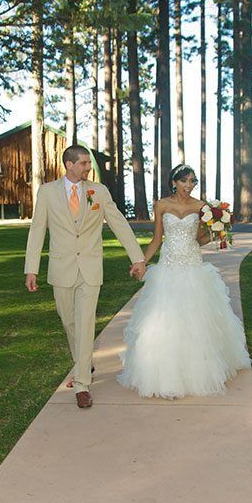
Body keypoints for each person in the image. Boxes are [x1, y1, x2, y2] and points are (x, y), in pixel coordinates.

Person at [24, 145, 146, 408]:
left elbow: (118, 223)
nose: (88, 168)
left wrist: (137, 257)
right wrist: (31, 268)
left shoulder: (98, 191)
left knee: (85, 323)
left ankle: (82, 385)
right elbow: (37, 231)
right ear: (68, 164)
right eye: (83, 163)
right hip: (61, 268)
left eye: (88, 163)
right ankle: (84, 362)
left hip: (90, 269)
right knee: (69, 321)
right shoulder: (47, 192)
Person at [117, 164, 251, 399]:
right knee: (163, 322)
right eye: (184, 181)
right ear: (174, 182)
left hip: (192, 266)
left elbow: (200, 239)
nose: (189, 186)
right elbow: (157, 239)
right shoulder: (161, 205)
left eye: (192, 181)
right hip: (168, 267)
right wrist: (142, 262)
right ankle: (165, 376)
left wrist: (217, 228)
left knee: (196, 322)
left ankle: (198, 372)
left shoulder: (201, 207)